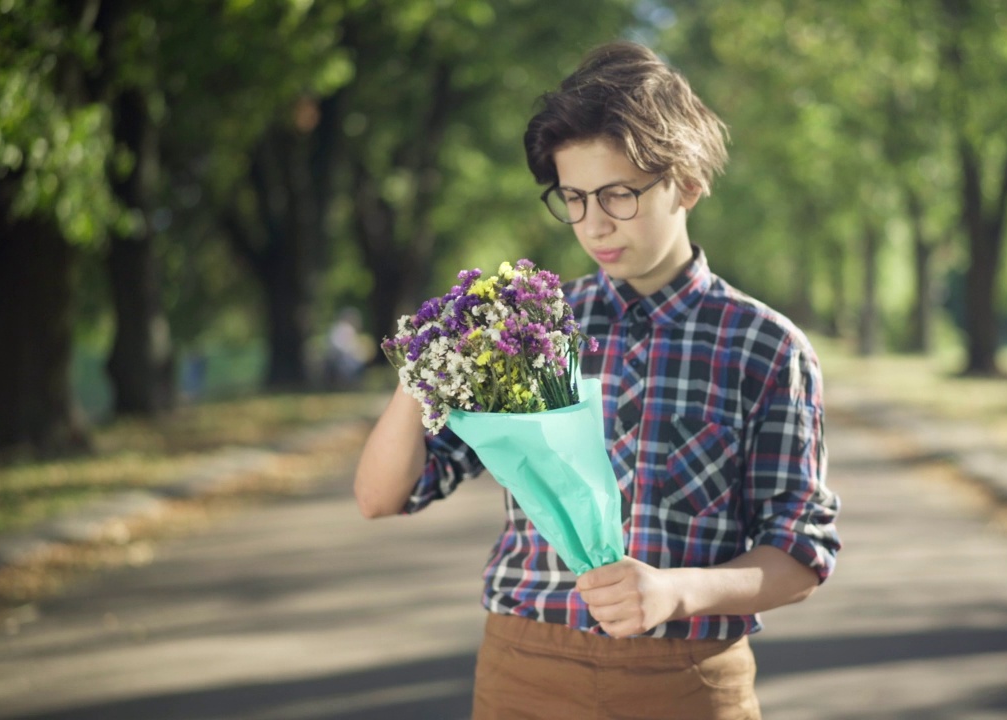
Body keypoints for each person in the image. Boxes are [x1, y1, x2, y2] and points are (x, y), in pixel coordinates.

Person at [354, 40, 840, 720]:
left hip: (687, 683)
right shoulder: (531, 332)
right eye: (574, 198)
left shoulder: (765, 347)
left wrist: (676, 591)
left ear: (688, 183)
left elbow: (801, 553)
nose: (595, 224)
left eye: (619, 194)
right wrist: (426, 363)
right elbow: (383, 495)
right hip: (524, 672)